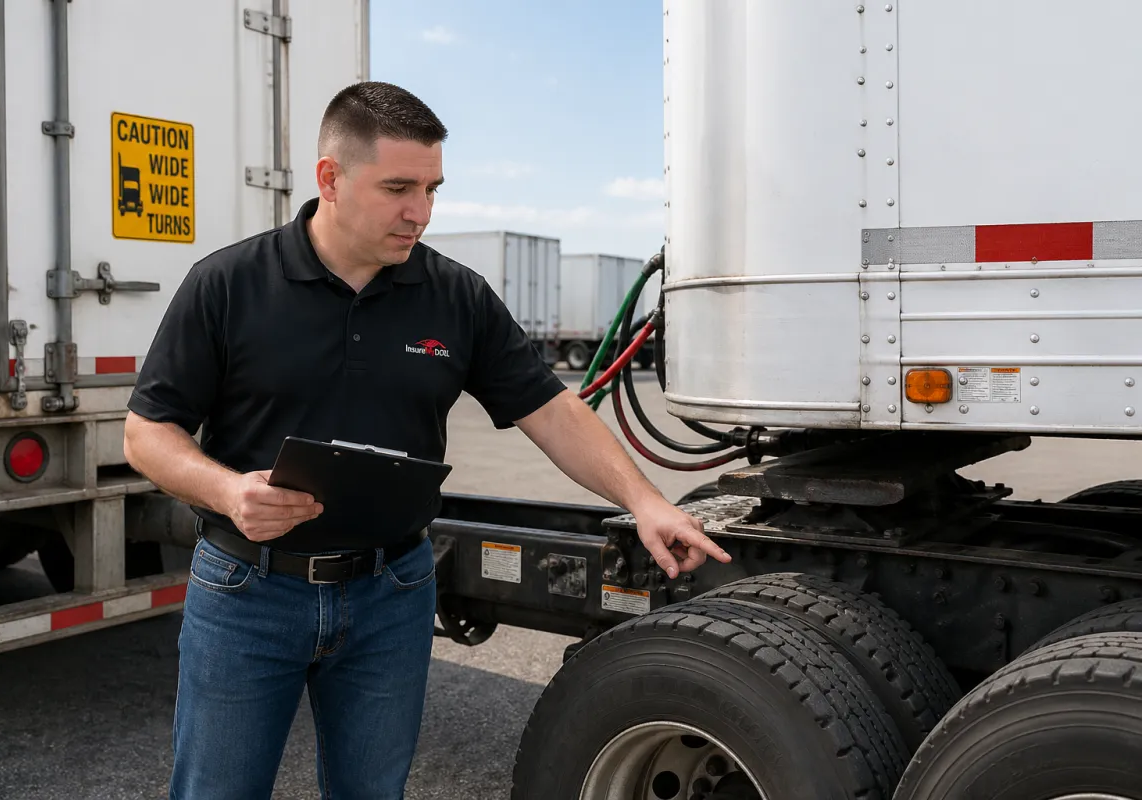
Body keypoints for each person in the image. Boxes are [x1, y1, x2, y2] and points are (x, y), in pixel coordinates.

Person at [122, 81, 731, 800]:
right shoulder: (228, 285)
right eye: (398, 188)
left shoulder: (455, 295)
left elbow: (551, 409)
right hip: (248, 591)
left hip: (393, 593)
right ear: (330, 179)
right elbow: (145, 434)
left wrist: (645, 499)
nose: (421, 212)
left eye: (433, 188)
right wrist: (227, 490)